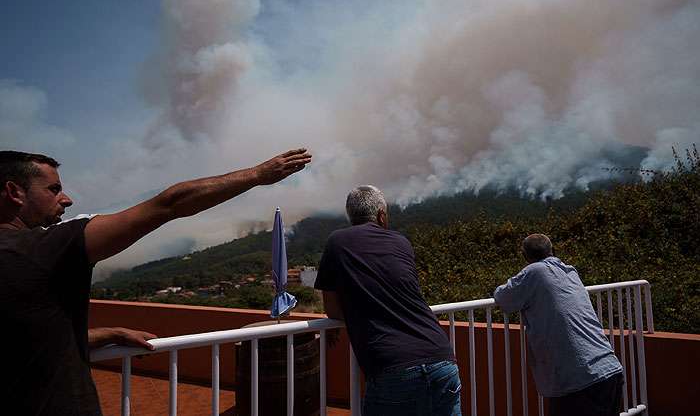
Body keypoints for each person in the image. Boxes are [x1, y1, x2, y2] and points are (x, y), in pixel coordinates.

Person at [0, 148, 311, 415]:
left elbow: (27, 335)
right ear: (14, 192)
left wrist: (106, 333)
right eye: (54, 189)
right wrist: (258, 174)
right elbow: (170, 204)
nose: (66, 199)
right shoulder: (47, 248)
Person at [315, 185, 461, 416]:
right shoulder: (401, 241)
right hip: (441, 358)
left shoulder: (337, 241)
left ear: (351, 216)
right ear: (382, 216)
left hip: (393, 366)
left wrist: (359, 312)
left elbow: (332, 309)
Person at [493, 234, 624, 416]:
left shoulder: (534, 272)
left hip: (577, 380)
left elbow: (503, 298)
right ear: (552, 251)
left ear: (525, 257)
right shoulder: (570, 271)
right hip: (609, 370)